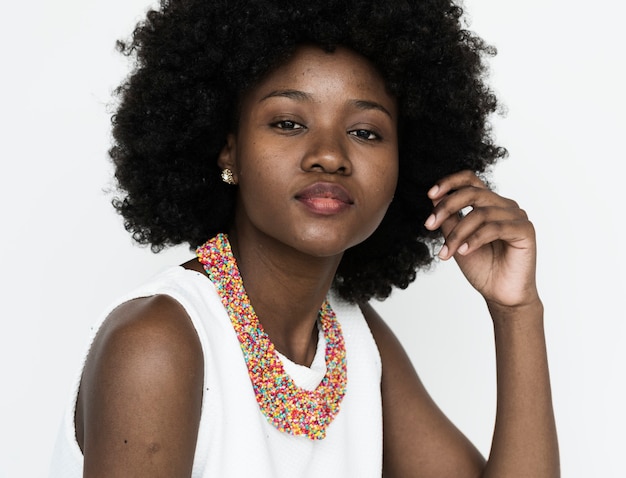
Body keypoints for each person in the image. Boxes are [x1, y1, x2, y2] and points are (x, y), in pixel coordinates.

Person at [50, 0, 560, 476]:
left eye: (365, 132)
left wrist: (517, 312)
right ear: (230, 152)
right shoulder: (158, 343)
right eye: (289, 122)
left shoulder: (352, 339)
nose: (330, 155)